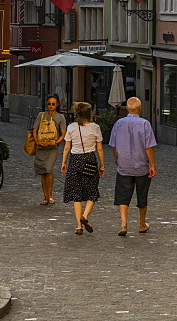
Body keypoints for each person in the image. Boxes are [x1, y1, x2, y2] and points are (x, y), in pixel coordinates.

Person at [108, 96, 157, 237]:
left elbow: (114, 145)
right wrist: (152, 164)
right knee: (142, 195)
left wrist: (117, 160)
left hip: (124, 165)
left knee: (123, 195)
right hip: (141, 166)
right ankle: (142, 224)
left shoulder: (118, 123)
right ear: (140, 109)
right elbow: (149, 147)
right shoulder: (145, 124)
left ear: (127, 109)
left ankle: (124, 224)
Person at [60, 102, 104, 235]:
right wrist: (102, 165)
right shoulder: (95, 127)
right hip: (89, 159)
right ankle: (85, 216)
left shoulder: (71, 127)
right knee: (92, 190)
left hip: (75, 160)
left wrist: (64, 162)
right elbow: (100, 148)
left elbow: (67, 147)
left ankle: (79, 226)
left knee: (76, 194)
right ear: (90, 114)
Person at [32, 94, 66, 205]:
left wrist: (56, 142)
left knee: (48, 169)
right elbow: (35, 130)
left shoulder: (60, 117)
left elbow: (63, 134)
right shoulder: (41, 115)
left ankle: (50, 195)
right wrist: (37, 142)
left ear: (57, 105)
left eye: (52, 104)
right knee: (43, 172)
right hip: (41, 147)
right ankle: (45, 196)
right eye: (49, 104)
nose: (50, 106)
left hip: (53, 148)